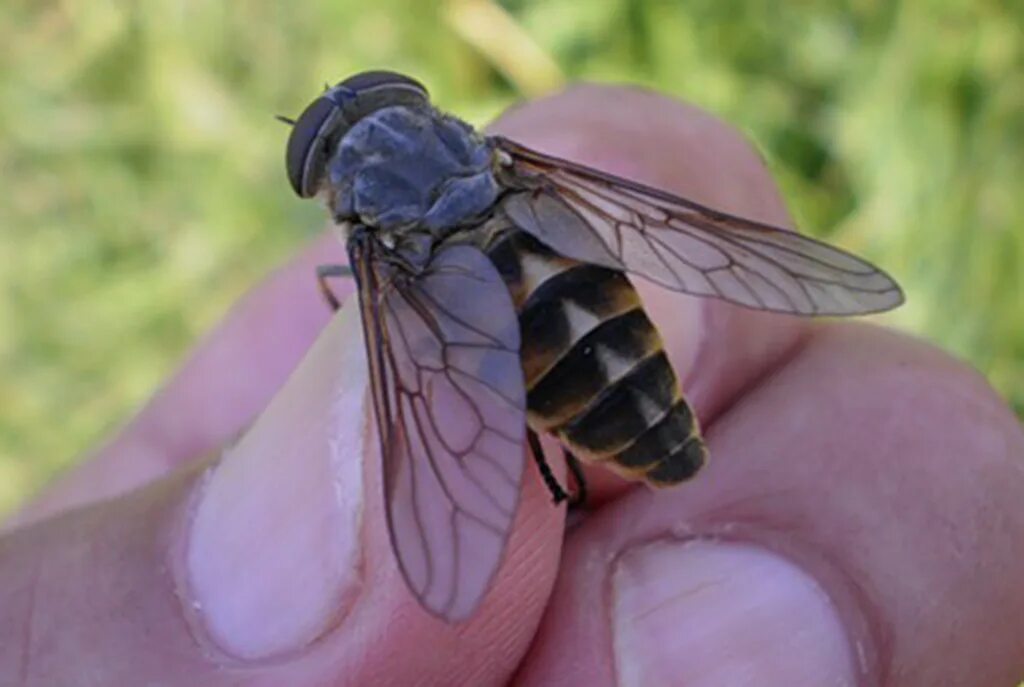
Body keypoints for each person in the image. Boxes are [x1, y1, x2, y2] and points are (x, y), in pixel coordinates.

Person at [2, 86, 1022, 687]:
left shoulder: (369, 251)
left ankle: (564, 445)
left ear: (333, 190)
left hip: (568, 359)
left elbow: (430, 376)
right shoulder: (499, 158)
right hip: (589, 314)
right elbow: (652, 234)